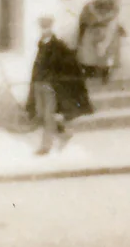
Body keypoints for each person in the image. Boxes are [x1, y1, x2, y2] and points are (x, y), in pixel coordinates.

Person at [28, 18, 89, 155]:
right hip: (39, 84)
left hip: (50, 85)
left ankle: (45, 146)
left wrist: (58, 81)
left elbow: (67, 64)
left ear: (51, 28)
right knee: (41, 114)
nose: (44, 30)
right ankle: (64, 135)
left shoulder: (57, 45)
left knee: (48, 116)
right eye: (42, 27)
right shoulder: (40, 44)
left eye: (47, 27)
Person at [75, 0, 125, 81]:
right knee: (88, 38)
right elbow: (90, 4)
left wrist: (105, 18)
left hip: (108, 20)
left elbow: (116, 10)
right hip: (96, 19)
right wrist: (95, 16)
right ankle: (89, 67)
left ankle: (105, 70)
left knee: (108, 40)